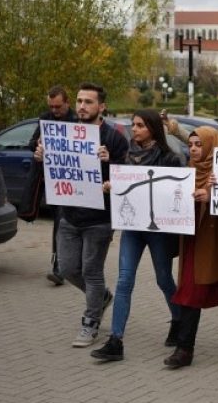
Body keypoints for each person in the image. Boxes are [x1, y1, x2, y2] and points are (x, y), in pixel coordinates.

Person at [34, 82, 128, 347]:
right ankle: (101, 299)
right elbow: (53, 173)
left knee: (91, 271)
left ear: (102, 106)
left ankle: (90, 322)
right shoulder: (62, 133)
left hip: (99, 219)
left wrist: (111, 162)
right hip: (69, 216)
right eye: (79, 101)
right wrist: (41, 157)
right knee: (66, 268)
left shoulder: (114, 138)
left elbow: (128, 175)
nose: (82, 106)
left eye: (88, 102)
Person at [90, 109, 183, 360]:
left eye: (140, 125)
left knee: (163, 279)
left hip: (157, 231)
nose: (134, 129)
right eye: (133, 124)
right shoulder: (128, 154)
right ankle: (116, 341)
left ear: (152, 128)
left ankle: (179, 320)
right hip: (132, 227)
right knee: (124, 281)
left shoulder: (169, 158)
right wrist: (112, 186)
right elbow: (123, 183)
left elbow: (178, 189)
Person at [161, 127, 218, 368]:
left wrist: (212, 194)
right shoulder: (187, 171)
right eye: (191, 145)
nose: (194, 149)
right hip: (193, 241)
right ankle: (185, 349)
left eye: (200, 144)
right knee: (190, 290)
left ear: (211, 145)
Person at [29, 85, 78, 286]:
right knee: (60, 222)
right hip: (56, 182)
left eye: (58, 106)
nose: (55, 111)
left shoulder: (77, 121)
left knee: (75, 224)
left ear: (67, 102)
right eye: (51, 107)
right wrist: (38, 145)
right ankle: (59, 266)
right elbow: (31, 143)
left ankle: (74, 264)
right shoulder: (45, 119)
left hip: (76, 181)